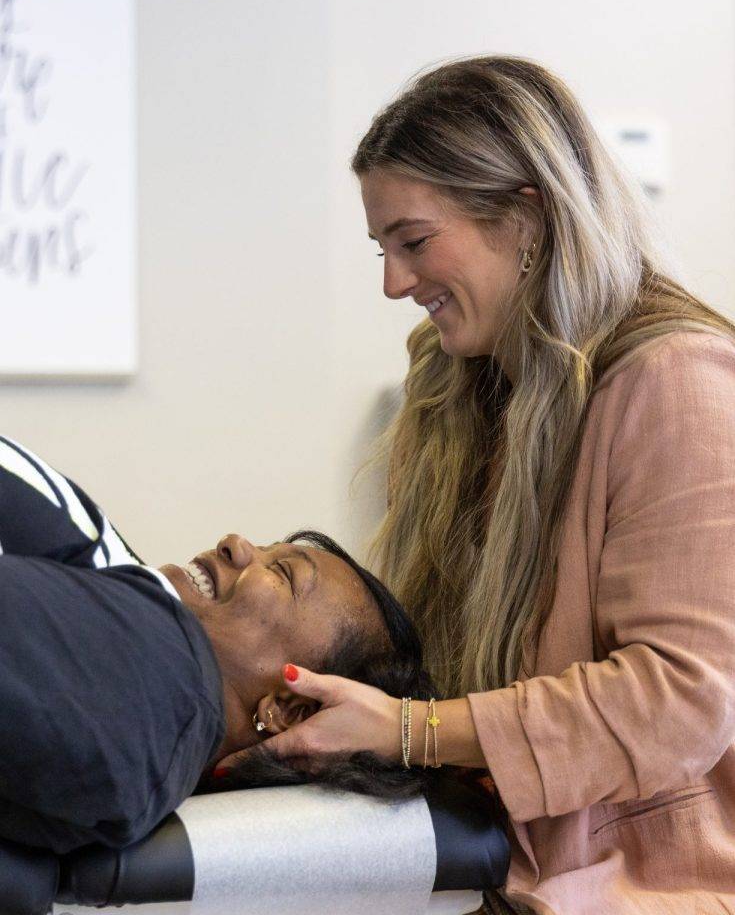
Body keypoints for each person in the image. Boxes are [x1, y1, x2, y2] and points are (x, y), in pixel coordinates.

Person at [237, 56, 735, 914]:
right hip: (506, 866)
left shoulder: (677, 381)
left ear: (527, 215)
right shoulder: (465, 388)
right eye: (383, 248)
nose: (394, 282)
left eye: (414, 241)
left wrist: (407, 733)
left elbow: (679, 701)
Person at [0, 433, 433, 855]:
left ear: (287, 709)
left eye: (283, 573)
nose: (234, 543)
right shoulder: (148, 642)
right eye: (266, 549)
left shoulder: (160, 686)